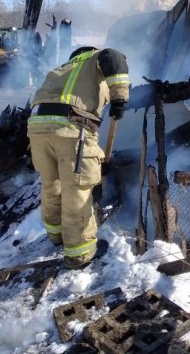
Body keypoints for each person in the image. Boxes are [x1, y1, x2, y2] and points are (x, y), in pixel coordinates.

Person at [27, 46, 130, 268]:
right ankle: (80, 253)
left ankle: (56, 235)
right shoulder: (96, 58)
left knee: (51, 184)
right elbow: (114, 55)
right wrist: (119, 98)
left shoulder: (63, 68)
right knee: (77, 190)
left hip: (37, 129)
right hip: (72, 128)